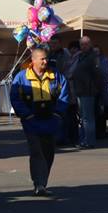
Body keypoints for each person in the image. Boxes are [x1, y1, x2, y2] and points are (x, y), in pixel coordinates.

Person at [9, 47, 70, 196]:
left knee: (48, 152)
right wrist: (26, 115)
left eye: (46, 58)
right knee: (36, 151)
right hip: (32, 121)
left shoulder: (56, 76)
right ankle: (39, 184)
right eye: (42, 58)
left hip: (51, 121)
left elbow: (64, 94)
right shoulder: (22, 77)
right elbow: (15, 97)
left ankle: (42, 181)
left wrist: (58, 114)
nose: (45, 61)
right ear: (33, 60)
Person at [69, 36, 100, 149]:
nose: (83, 46)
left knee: (88, 118)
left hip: (88, 90)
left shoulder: (93, 57)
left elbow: (97, 74)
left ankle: (89, 141)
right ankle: (84, 139)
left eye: (86, 44)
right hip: (80, 90)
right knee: (82, 117)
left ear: (90, 44)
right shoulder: (81, 56)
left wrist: (95, 88)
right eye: (82, 44)